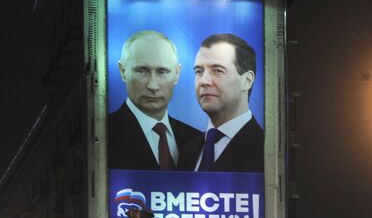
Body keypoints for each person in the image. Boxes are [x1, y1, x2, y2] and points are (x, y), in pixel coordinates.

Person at [108, 30, 201, 171]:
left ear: (177, 74)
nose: (153, 86)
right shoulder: (104, 134)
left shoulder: (197, 141)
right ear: (122, 71)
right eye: (142, 71)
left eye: (162, 72)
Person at [179, 33, 264, 172]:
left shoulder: (267, 149)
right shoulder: (188, 150)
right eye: (199, 71)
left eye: (218, 70)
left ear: (247, 81)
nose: (204, 81)